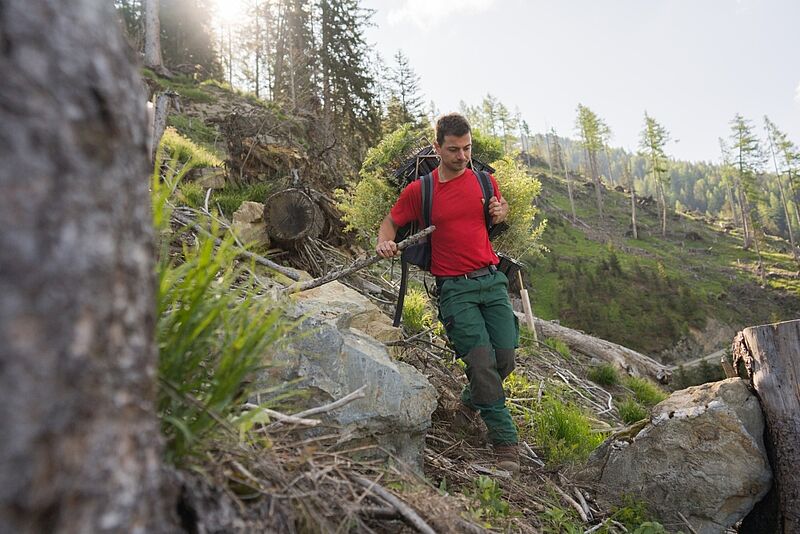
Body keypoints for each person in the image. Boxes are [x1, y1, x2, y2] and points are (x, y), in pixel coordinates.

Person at [376, 113, 520, 473]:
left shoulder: (486, 182)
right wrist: (384, 242)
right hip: (455, 289)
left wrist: (502, 212)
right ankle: (505, 444)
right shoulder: (420, 191)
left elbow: (498, 216)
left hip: (492, 279)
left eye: (467, 148)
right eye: (454, 149)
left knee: (505, 359)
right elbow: (390, 223)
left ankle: (470, 404)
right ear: (437, 147)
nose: (462, 156)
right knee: (482, 364)